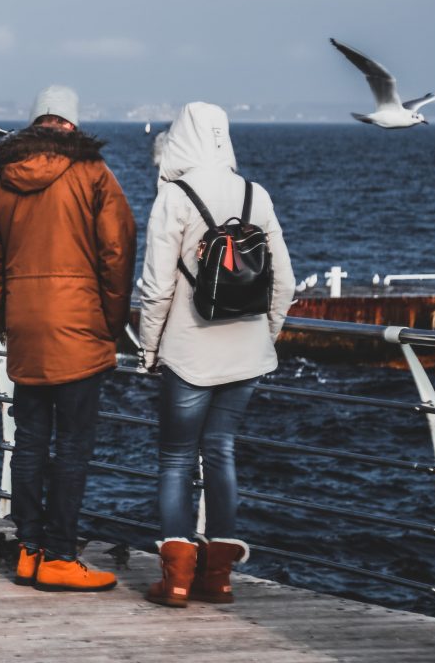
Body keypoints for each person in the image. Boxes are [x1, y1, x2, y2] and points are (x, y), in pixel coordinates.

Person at [0, 85, 136, 592]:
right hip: (81, 330)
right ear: (71, 123)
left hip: (26, 329)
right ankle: (61, 557)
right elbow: (118, 251)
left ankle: (29, 550)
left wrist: (10, 314)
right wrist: (109, 322)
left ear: (35, 121)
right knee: (74, 448)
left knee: (30, 444)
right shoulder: (93, 174)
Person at [137, 101, 294, 607]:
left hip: (189, 351)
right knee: (221, 451)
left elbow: (157, 288)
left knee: (176, 459)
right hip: (246, 352)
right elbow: (283, 282)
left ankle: (177, 579)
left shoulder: (173, 198)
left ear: (182, 138)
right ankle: (220, 578)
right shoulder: (257, 194)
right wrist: (264, 336)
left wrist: (148, 350)